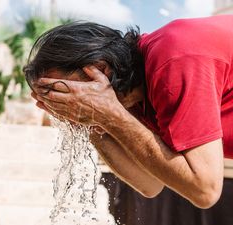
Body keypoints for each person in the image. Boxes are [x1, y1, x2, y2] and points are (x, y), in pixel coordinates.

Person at [24, 15, 233, 212]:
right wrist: (90, 123)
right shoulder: (134, 98)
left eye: (63, 92)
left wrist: (110, 116)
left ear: (99, 70)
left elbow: (205, 190)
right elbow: (150, 184)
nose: (65, 104)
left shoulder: (174, 60)